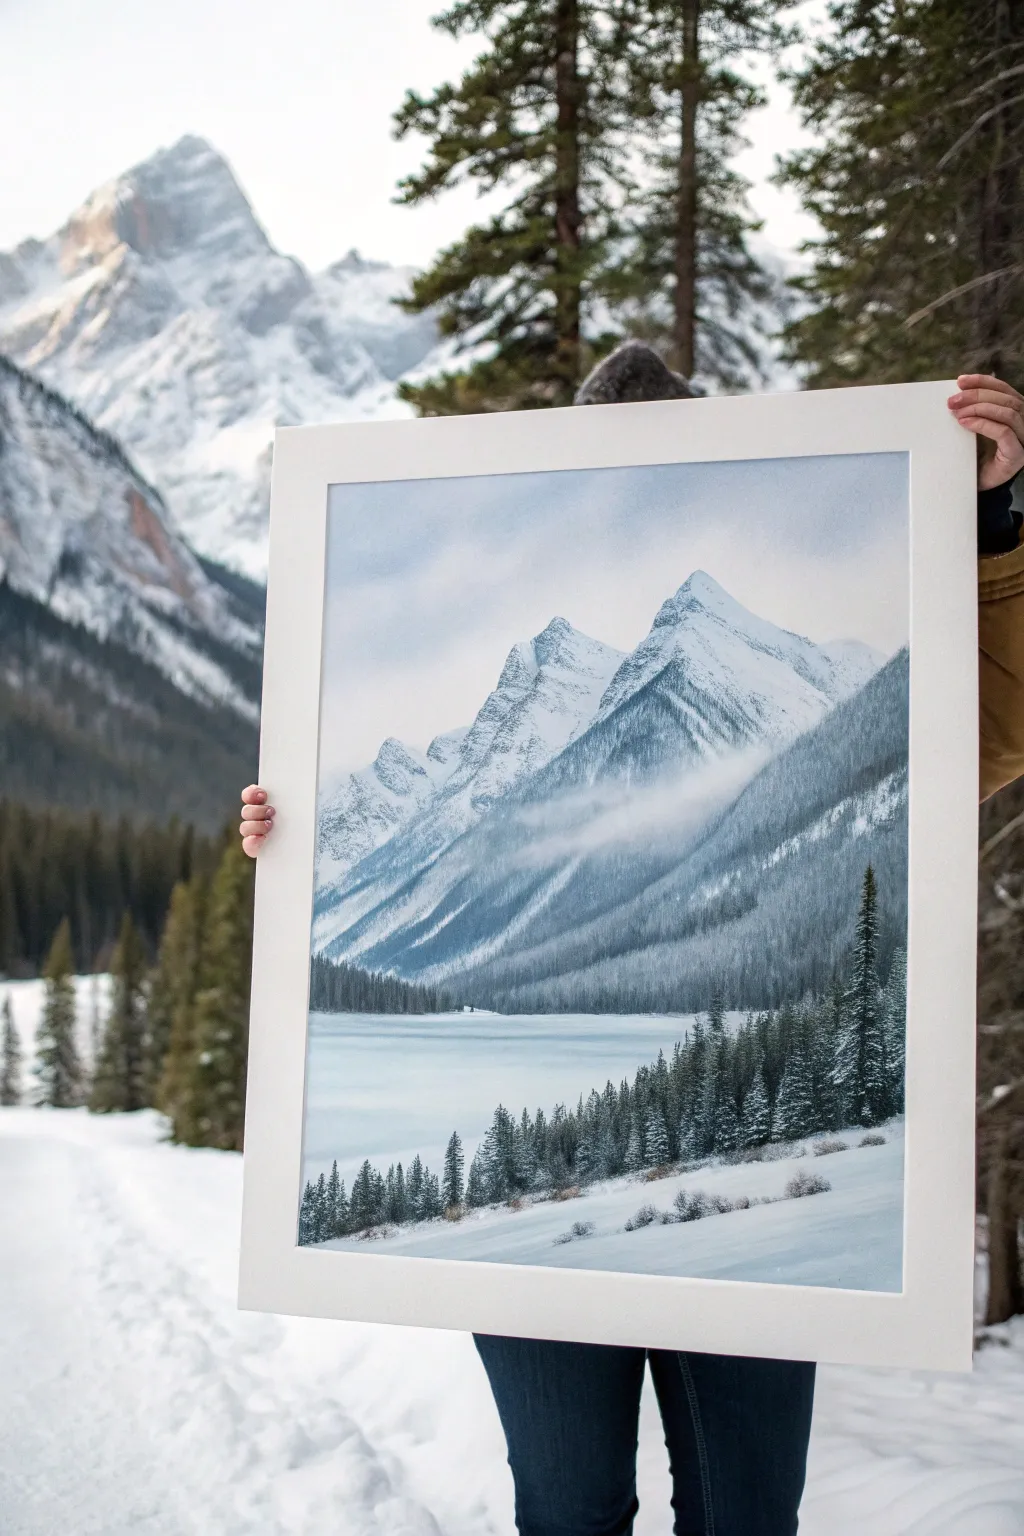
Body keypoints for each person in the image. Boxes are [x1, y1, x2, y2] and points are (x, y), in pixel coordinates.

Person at [238, 361, 1024, 1536]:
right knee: (565, 1509)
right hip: (543, 1280)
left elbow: (993, 730)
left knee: (746, 1514)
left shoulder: (790, 664)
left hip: (742, 1261)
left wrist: (992, 516)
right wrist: (286, 841)